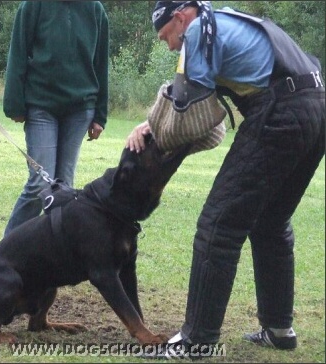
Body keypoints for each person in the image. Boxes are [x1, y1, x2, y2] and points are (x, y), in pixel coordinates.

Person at [126, 1, 325, 358]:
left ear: (181, 16)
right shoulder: (227, 20)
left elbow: (185, 113)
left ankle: (195, 341)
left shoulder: (199, 31)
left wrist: (153, 127)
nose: (169, 45)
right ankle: (279, 328)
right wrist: (154, 123)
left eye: (166, 35)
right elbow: (207, 107)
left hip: (281, 110)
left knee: (218, 224)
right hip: (317, 108)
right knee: (270, 220)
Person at [3, 1, 109, 237]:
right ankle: (5, 254)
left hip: (81, 109)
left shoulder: (95, 10)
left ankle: (57, 258)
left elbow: (101, 64)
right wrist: (14, 104)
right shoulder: (33, 6)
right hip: (41, 105)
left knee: (64, 188)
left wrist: (100, 114)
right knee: (39, 185)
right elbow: (18, 53)